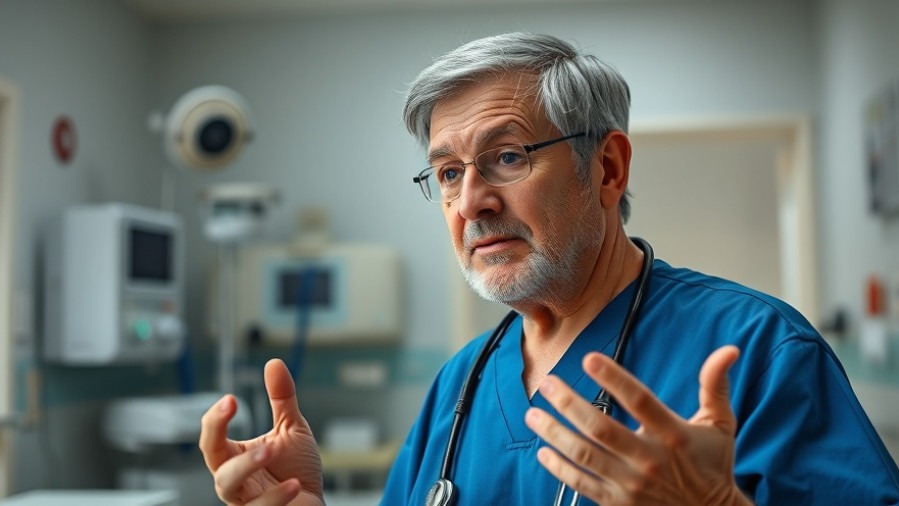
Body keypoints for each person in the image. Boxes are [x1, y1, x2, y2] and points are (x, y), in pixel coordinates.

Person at [200, 32, 899, 505]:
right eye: (446, 172)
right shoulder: (461, 386)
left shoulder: (757, 350)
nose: (471, 200)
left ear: (606, 167)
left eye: (507, 157)